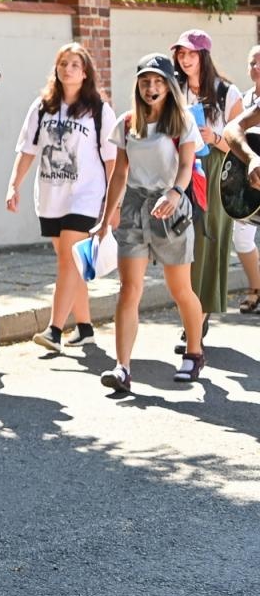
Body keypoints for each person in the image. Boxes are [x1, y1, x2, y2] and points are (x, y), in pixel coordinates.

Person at [92, 54, 204, 392]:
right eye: (145, 81)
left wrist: (174, 193)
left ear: (169, 87)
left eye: (157, 82)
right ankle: (122, 367)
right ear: (138, 85)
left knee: (179, 289)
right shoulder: (127, 123)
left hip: (171, 208)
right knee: (129, 289)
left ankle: (195, 352)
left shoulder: (182, 121)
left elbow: (186, 165)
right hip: (135, 208)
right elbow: (119, 174)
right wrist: (104, 217)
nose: (150, 88)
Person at [5, 43, 118, 351]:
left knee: (69, 260)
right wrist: (14, 185)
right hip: (51, 195)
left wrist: (113, 203)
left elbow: (113, 160)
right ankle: (84, 327)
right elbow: (26, 150)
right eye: (63, 63)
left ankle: (54, 330)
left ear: (85, 73)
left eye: (74, 65)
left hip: (86, 195)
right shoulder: (42, 107)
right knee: (71, 262)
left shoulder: (98, 110)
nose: (68, 68)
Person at [170, 28, 240, 350]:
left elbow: (243, 143)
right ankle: (191, 315)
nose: (185, 59)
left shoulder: (227, 93)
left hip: (215, 167)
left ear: (204, 56)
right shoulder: (174, 88)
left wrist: (213, 138)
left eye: (191, 54)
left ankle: (200, 318)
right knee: (185, 240)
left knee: (210, 239)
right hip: (181, 166)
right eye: (181, 54)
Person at [226, 45, 260, 313]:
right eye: (253, 63)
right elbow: (232, 128)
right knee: (242, 238)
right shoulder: (248, 100)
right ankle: (255, 288)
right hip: (251, 183)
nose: (256, 68)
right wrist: (251, 158)